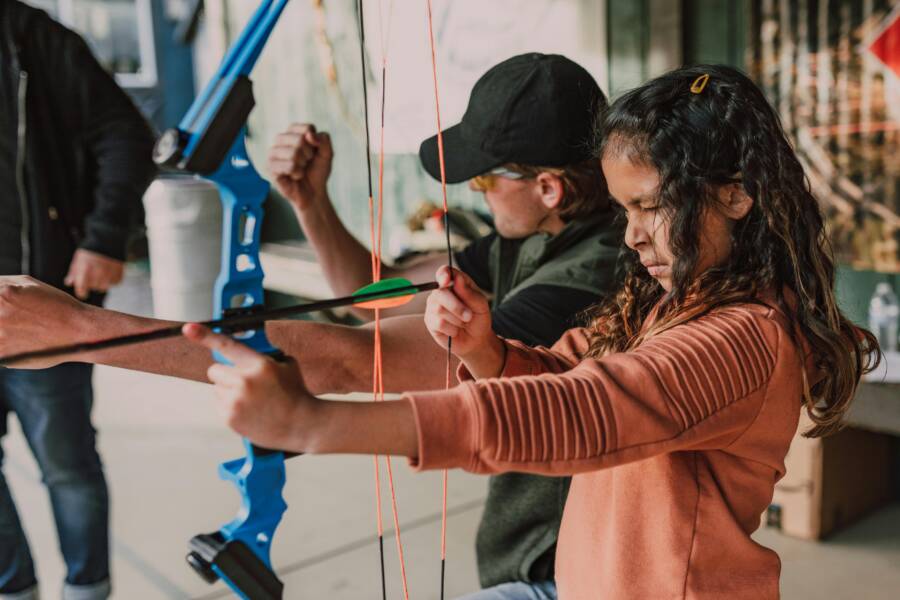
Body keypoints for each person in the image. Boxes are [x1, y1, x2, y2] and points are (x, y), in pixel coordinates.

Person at [179, 64, 880, 599]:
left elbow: (582, 411)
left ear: (735, 192)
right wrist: (488, 350)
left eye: (649, 206)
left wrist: (312, 424)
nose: (632, 234)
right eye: (622, 210)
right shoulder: (659, 299)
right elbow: (396, 298)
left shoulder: (742, 339)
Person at [0, 53, 621, 596]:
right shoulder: (536, 237)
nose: (476, 192)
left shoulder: (588, 281)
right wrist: (311, 202)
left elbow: (353, 358)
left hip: (574, 570)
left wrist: (82, 331)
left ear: (548, 187)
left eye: (485, 179)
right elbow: (378, 297)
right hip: (534, 549)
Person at [0, 2, 156, 599]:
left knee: (67, 466)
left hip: (35, 305)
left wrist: (103, 237)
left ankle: (86, 591)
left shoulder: (30, 38)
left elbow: (124, 134)